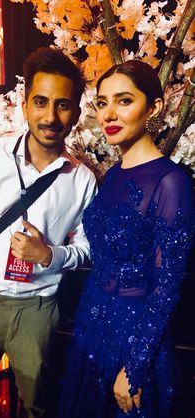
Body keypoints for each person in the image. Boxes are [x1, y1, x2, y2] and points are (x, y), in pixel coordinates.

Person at [0, 47, 97, 418]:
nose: (51, 116)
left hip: (39, 307)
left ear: (76, 113)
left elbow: (88, 247)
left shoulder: (82, 179)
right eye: (40, 101)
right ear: (24, 106)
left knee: (38, 406)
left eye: (63, 105)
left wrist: (50, 255)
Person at [58, 60, 194, 418]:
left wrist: (134, 366)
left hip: (134, 339)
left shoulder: (171, 181)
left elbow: (168, 287)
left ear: (155, 107)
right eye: (102, 103)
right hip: (90, 327)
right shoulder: (115, 173)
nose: (109, 114)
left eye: (124, 100)